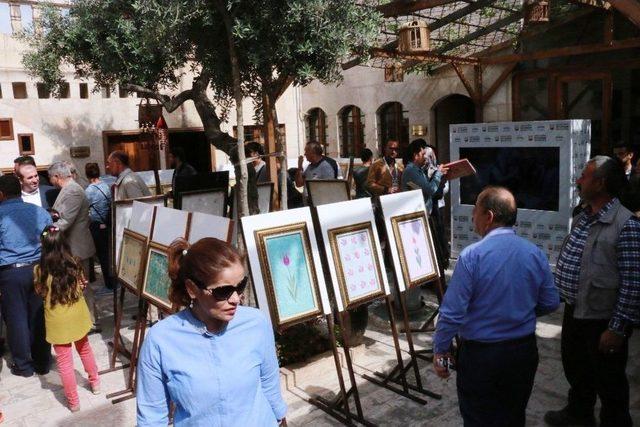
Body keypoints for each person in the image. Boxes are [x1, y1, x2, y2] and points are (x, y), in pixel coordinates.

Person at [433, 186, 559, 426]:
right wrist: (519, 310)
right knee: (513, 415)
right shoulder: (534, 253)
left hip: (482, 357)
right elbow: (551, 302)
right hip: (522, 353)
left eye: (475, 212)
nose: (472, 219)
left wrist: (440, 351)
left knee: (478, 418)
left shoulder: (472, 256)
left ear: (489, 217)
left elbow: (451, 314)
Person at [136, 238, 287, 426]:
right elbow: (151, 417)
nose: (236, 299)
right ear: (192, 289)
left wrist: (281, 419)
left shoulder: (256, 323)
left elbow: (270, 386)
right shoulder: (160, 341)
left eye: (240, 286)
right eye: (223, 291)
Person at [545, 156, 640, 427]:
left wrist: (617, 328)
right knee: (577, 370)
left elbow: (633, 283)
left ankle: (616, 422)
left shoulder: (626, 225)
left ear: (600, 183)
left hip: (602, 318)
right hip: (576, 309)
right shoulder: (583, 215)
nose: (578, 180)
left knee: (609, 381)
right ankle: (579, 414)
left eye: (585, 176)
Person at [34, 225, 100, 412]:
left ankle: (73, 402)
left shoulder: (40, 270)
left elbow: (40, 292)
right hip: (77, 316)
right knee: (85, 349)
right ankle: (95, 383)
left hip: (57, 321)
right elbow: (83, 285)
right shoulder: (75, 263)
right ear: (64, 243)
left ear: (44, 246)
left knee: (64, 362)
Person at [0, 175, 52, 377]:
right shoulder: (39, 212)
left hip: (10, 272)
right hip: (39, 268)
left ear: (1, 194)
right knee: (39, 315)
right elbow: (51, 238)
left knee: (16, 318)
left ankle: (23, 365)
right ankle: (42, 361)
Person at [48, 162, 99, 331]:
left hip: (77, 247)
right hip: (72, 246)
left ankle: (91, 321)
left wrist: (45, 232)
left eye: (51, 178)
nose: (50, 182)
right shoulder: (68, 190)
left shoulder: (73, 190)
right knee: (78, 284)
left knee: (83, 285)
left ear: (56, 176)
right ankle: (86, 320)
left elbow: (65, 221)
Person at [84, 163, 116, 295]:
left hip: (97, 226)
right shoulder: (105, 186)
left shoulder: (89, 191)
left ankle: (109, 284)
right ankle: (113, 280)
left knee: (102, 256)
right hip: (108, 223)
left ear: (87, 174)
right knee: (109, 253)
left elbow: (85, 209)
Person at [401, 139, 447, 214]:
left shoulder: (417, 170)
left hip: (421, 213)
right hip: (415, 214)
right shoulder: (411, 170)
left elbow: (423, 189)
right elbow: (431, 189)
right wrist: (439, 173)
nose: (425, 157)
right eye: (423, 154)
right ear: (416, 156)